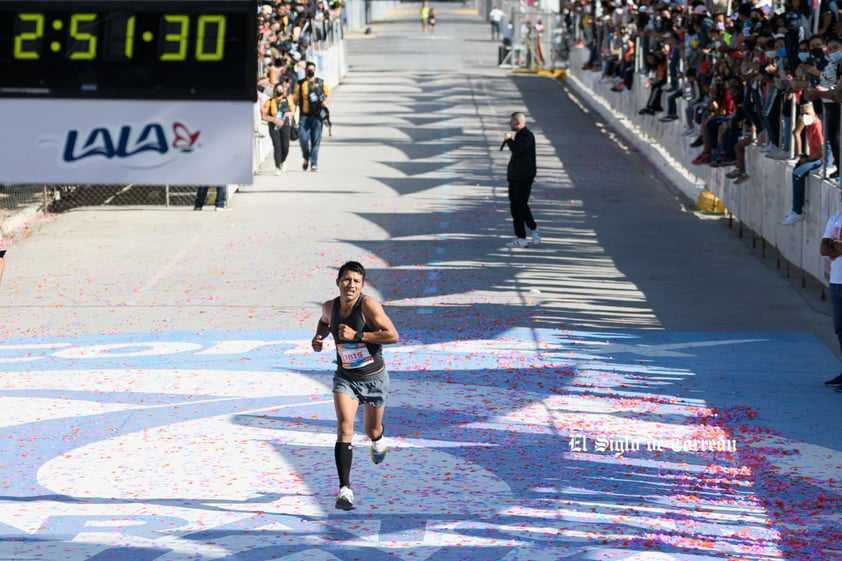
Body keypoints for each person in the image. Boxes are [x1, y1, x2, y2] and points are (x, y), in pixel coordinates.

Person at [311, 261, 400, 511]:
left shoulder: (369, 305)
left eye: (356, 282)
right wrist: (319, 337)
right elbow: (323, 322)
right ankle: (345, 490)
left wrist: (358, 336)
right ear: (338, 282)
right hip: (346, 378)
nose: (351, 285)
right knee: (344, 427)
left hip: (374, 379)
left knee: (371, 430)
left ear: (362, 286)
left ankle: (378, 438)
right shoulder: (330, 306)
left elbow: (392, 335)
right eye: (347, 280)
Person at [503, 112, 540, 248]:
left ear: (518, 123)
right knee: (515, 207)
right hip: (516, 177)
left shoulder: (527, 136)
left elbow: (518, 151)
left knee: (520, 205)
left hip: (523, 177)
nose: (509, 124)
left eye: (511, 121)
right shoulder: (521, 135)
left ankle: (532, 228)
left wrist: (508, 140)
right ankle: (522, 237)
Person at [783, 103, 824, 225]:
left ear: (815, 113)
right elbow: (796, 132)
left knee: (798, 173)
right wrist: (802, 156)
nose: (804, 117)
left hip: (820, 160)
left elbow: (822, 152)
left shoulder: (817, 126)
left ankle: (798, 211)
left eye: (807, 114)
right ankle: (795, 207)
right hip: (813, 157)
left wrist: (808, 159)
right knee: (796, 169)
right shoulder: (809, 126)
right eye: (802, 114)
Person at [294, 61, 332, 172]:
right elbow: (295, 99)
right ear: (305, 71)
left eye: (312, 69)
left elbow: (329, 96)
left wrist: (325, 102)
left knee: (316, 140)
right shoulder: (300, 83)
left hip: (317, 115)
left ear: (315, 70)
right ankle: (306, 156)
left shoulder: (321, 82)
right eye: (308, 70)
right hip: (304, 115)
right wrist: (292, 113)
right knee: (303, 138)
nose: (310, 71)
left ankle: (314, 163)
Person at [820, 203, 842, 390]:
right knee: (840, 329)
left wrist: (834, 247)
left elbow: (830, 247)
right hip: (836, 281)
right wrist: (836, 248)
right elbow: (823, 248)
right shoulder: (835, 219)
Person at [262, 81, 298, 174]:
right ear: (274, 91)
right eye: (277, 89)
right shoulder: (269, 101)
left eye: (281, 89)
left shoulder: (288, 99)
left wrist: (288, 113)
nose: (279, 91)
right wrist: (274, 120)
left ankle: (283, 161)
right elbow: (264, 116)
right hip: (274, 127)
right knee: (277, 146)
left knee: (285, 147)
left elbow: (293, 110)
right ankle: (277, 167)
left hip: (285, 125)